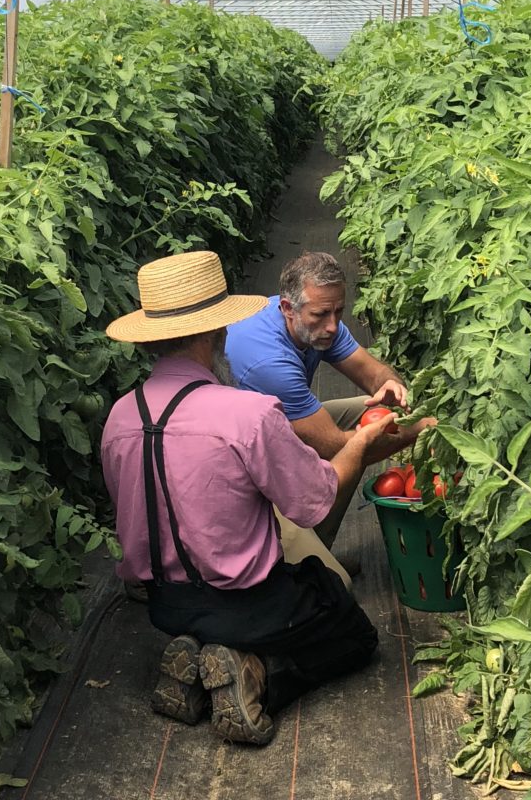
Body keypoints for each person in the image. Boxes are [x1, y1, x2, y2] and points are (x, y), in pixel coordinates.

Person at [101, 250, 397, 745]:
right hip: (250, 603)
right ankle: (255, 669)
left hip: (162, 604)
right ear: (219, 332)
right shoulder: (248, 415)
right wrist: (363, 446)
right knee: (352, 633)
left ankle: (194, 661)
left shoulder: (119, 417)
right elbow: (315, 501)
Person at [225, 251, 434, 550]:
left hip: (276, 424)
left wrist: (390, 384)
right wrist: (421, 428)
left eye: (339, 311)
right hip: (241, 459)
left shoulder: (316, 316)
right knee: (354, 446)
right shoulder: (270, 363)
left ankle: (321, 548)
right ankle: (315, 561)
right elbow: (337, 446)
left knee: (375, 412)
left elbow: (370, 370)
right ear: (287, 308)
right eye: (322, 315)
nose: (333, 325)